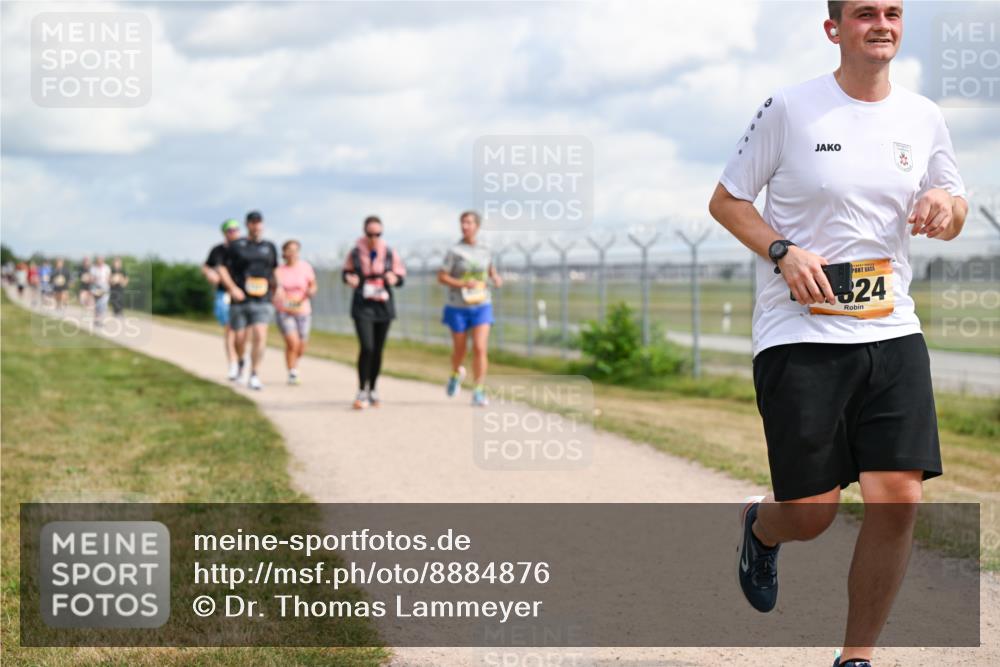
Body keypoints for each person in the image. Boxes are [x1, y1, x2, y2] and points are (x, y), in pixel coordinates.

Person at [707, 3, 967, 666]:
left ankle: (856, 656)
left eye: (892, 12)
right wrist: (783, 251)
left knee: (897, 498)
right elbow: (728, 201)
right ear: (834, 29)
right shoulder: (792, 108)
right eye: (863, 14)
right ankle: (761, 528)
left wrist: (947, 205)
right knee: (812, 511)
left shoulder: (923, 115)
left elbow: (954, 200)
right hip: (801, 333)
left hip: (892, 328)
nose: (881, 23)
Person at [437, 210, 502, 407]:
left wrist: (496, 278)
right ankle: (456, 373)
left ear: (477, 226)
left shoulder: (487, 249)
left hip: (482, 304)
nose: (465, 226)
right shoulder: (455, 251)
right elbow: (442, 276)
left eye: (469, 223)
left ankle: (479, 390)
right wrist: (462, 284)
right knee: (460, 349)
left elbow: (490, 271)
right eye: (462, 223)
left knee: (480, 348)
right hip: (458, 305)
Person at [342, 215, 406, 409]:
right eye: (370, 234)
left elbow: (401, 277)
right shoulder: (354, 253)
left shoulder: (389, 252)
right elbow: (345, 273)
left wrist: (394, 278)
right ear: (364, 233)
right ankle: (362, 389)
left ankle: (374, 388)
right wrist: (349, 278)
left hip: (383, 305)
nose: (373, 238)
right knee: (367, 347)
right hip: (362, 304)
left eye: (377, 234)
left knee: (378, 349)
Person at [216, 210, 278, 391]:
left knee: (260, 334)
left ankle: (255, 373)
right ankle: (241, 361)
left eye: (259, 222)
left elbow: (274, 270)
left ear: (263, 225)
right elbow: (222, 269)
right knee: (240, 338)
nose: (256, 225)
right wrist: (232, 288)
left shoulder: (270, 247)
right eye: (253, 222)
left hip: (262, 299)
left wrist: (278, 288)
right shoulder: (237, 246)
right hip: (240, 299)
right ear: (248, 225)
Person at [202, 219, 242, 380]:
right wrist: (209, 274)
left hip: (243, 295)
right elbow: (206, 266)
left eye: (236, 230)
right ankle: (233, 363)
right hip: (224, 294)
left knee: (242, 333)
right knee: (230, 329)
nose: (233, 233)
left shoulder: (245, 248)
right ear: (225, 232)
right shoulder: (218, 250)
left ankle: (241, 361)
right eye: (230, 230)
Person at [274, 240, 317, 385]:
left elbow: (312, 284)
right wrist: (278, 293)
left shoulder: (305, 267)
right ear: (284, 253)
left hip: (303, 309)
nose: (292, 253)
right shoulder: (278, 270)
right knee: (293, 342)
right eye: (289, 250)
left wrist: (311, 290)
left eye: (295, 250)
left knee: (301, 345)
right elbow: (275, 287)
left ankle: (293, 362)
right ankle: (292, 371)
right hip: (285, 310)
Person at [90, 256, 111, 326]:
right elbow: (91, 279)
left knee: (103, 304)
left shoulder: (107, 267)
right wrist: (95, 279)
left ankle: (100, 320)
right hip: (96, 287)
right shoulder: (93, 268)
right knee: (98, 304)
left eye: (101, 260)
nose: (100, 262)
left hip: (105, 287)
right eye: (98, 260)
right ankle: (96, 320)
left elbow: (109, 278)